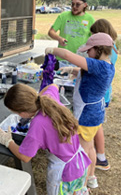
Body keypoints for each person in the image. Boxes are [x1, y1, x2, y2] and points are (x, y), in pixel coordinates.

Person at [45, 32, 117, 189]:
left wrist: (51, 50)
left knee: (82, 154)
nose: (86, 53)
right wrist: (72, 70)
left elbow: (67, 54)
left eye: (89, 50)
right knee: (89, 146)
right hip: (96, 114)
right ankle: (91, 178)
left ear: (98, 49)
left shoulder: (99, 65)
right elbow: (87, 73)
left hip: (87, 116)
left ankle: (81, 187)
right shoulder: (108, 65)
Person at [0, 83, 91, 195]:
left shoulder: (38, 124)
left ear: (23, 113)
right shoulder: (48, 97)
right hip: (80, 162)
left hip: (64, 173)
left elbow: (25, 157)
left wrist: (8, 141)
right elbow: (53, 85)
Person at [90, 19, 118, 171]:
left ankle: (101, 157)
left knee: (96, 126)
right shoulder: (112, 48)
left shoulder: (108, 52)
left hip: (100, 94)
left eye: (95, 34)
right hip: (104, 93)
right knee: (97, 125)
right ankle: (99, 154)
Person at [48, 0, 95, 69]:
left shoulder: (90, 19)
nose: (74, 7)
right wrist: (59, 38)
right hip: (62, 60)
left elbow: (95, 38)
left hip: (80, 61)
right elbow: (51, 32)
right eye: (72, 4)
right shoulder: (63, 16)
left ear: (85, 5)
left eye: (78, 4)